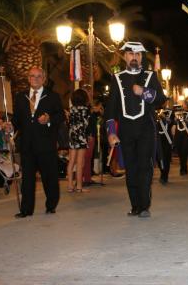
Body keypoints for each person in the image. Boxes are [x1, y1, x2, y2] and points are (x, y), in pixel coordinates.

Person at [105, 41, 166, 218]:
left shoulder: (150, 76)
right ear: (125, 56)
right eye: (131, 54)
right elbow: (111, 107)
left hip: (146, 129)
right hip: (125, 130)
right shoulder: (117, 78)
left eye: (138, 54)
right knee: (131, 169)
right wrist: (111, 132)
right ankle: (135, 206)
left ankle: (145, 206)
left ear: (141, 58)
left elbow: (161, 99)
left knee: (145, 168)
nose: (134, 57)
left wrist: (144, 92)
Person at [10, 67, 64, 218]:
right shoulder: (20, 97)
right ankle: (26, 209)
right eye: (32, 76)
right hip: (27, 145)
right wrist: (10, 125)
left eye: (39, 76)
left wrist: (49, 119)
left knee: (49, 177)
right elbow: (17, 120)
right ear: (28, 78)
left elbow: (60, 116)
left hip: (46, 144)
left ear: (44, 78)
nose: (35, 79)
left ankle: (51, 204)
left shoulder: (52, 96)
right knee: (27, 179)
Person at [67, 88, 92, 193]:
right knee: (80, 162)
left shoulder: (71, 109)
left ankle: (70, 185)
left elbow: (69, 123)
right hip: (81, 137)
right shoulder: (86, 110)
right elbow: (87, 125)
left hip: (72, 136)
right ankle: (79, 187)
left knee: (71, 161)